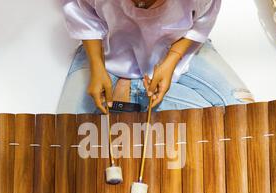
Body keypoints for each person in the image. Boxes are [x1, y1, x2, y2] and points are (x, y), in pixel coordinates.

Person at [59, 0, 253, 114]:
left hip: (179, 45)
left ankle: (128, 98)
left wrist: (171, 60)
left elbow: (201, 23)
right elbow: (82, 14)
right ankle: (129, 98)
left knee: (245, 109)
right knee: (66, 135)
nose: (141, 5)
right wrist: (96, 65)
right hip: (104, 48)